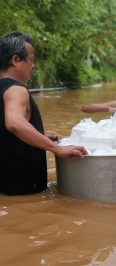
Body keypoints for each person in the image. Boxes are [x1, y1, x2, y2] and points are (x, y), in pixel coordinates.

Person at [0, 31, 87, 195]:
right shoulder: (17, 90)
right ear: (16, 59)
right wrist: (57, 149)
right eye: (31, 60)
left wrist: (42, 137)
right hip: (24, 188)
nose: (34, 66)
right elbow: (14, 123)